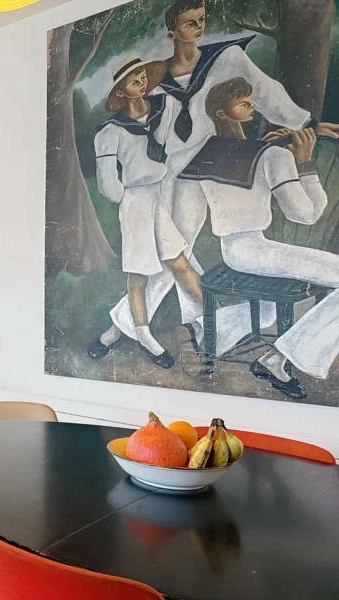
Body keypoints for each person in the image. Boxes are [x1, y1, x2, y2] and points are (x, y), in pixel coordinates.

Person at [90, 0, 339, 371]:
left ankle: (150, 327)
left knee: (175, 255)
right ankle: (126, 327)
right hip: (173, 173)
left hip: (214, 161)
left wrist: (306, 123)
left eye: (202, 20)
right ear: (173, 31)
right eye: (190, 23)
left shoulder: (227, 59)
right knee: (170, 255)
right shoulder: (155, 80)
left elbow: (266, 91)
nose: (199, 28)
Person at [178, 77, 339, 398]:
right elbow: (306, 215)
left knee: (280, 303)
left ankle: (209, 328)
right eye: (242, 102)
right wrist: (304, 163)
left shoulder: (205, 154)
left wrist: (268, 148)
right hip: (257, 251)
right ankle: (276, 359)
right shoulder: (273, 157)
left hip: (232, 252)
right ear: (222, 113)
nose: (251, 105)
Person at [91, 55, 202, 367]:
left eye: (141, 74)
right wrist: (130, 199)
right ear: (121, 91)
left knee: (179, 262)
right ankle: (144, 335)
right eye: (132, 80)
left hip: (161, 194)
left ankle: (211, 320)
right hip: (136, 202)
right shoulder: (110, 132)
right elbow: (107, 184)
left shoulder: (164, 109)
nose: (140, 80)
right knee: (139, 273)